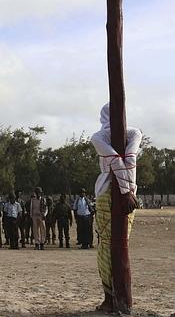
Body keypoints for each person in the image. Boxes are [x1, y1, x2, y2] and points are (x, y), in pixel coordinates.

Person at [91, 103, 141, 313]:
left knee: (111, 245)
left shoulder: (100, 137)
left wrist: (124, 192)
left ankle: (112, 298)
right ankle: (111, 297)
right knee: (109, 244)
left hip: (112, 193)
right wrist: (128, 190)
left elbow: (121, 161)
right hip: (127, 193)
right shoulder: (131, 134)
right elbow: (125, 161)